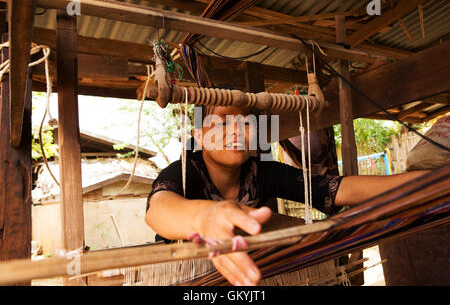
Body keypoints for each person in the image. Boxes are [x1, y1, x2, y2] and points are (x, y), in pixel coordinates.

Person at [145, 104, 428, 286]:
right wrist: (207, 218)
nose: (235, 131)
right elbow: (158, 210)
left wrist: (432, 181)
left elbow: (340, 188)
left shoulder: (261, 172)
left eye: (244, 123)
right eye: (221, 123)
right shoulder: (183, 171)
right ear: (199, 134)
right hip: (189, 281)